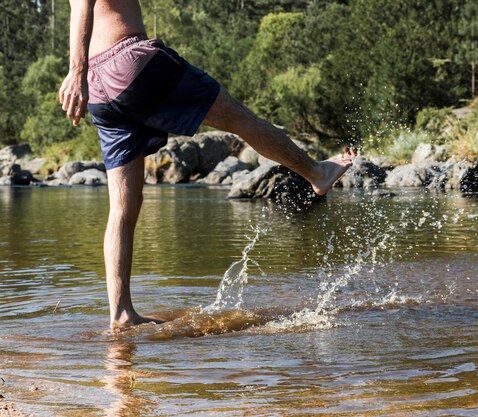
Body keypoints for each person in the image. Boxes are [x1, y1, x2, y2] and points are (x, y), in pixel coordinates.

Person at [58, 0, 353, 329]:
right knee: (240, 118)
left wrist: (83, 72)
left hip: (100, 88)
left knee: (122, 208)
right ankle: (318, 172)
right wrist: (75, 70)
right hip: (129, 63)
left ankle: (121, 313)